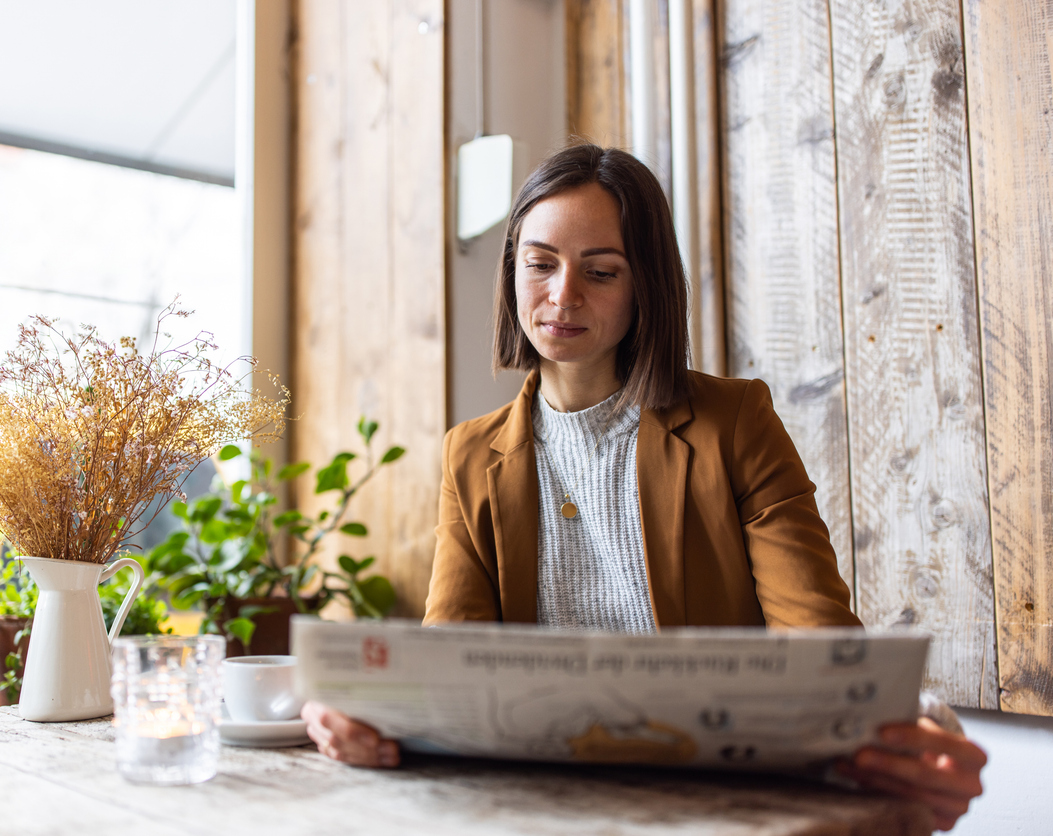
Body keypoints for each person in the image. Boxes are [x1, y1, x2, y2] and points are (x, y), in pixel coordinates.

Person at [303, 144, 985, 831]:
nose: (561, 295)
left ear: (644, 286)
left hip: (718, 806)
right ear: (512, 270)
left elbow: (821, 647)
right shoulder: (470, 455)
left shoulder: (734, 423)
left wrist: (923, 724)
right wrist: (362, 713)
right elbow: (447, 666)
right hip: (539, 810)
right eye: (539, 264)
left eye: (599, 272)